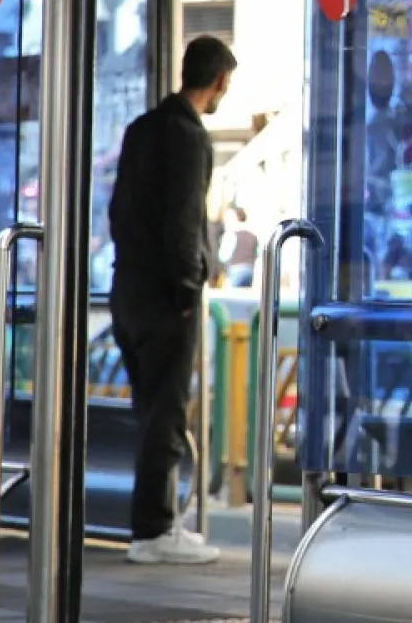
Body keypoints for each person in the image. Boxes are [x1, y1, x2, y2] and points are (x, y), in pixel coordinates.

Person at [108, 35, 238, 565]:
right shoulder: (188, 136)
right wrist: (188, 291)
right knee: (166, 413)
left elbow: (118, 213)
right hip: (166, 301)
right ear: (220, 82)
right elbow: (185, 224)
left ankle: (152, 525)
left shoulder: (141, 129)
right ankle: (156, 532)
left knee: (150, 411)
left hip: (128, 293)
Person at [218, 206, 258, 289]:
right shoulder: (253, 235)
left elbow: (223, 256)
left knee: (232, 298)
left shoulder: (231, 234)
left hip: (235, 270)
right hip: (249, 270)